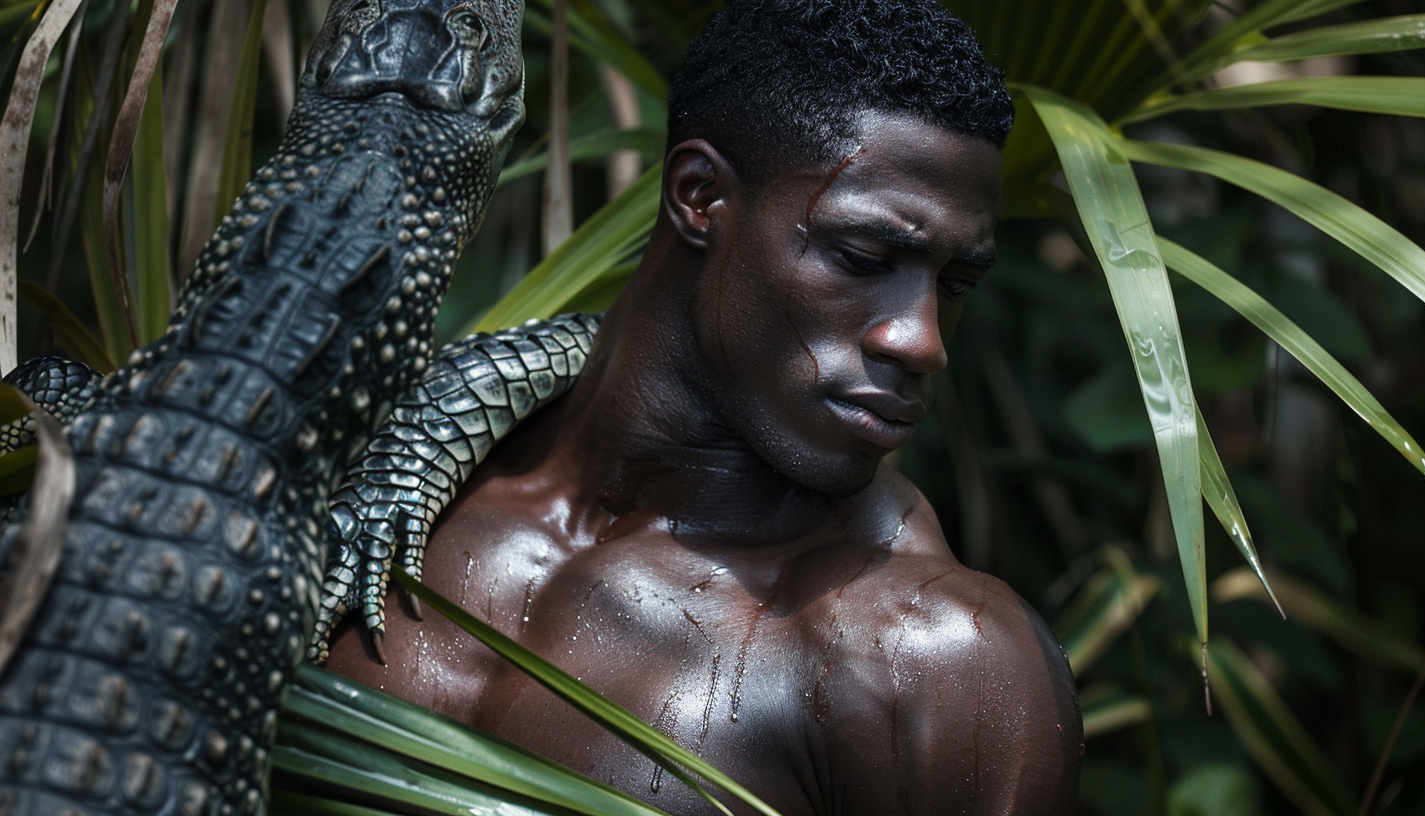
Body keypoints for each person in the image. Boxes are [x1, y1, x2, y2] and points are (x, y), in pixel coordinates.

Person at [326, 0, 1083, 812]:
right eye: (864, 257)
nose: (922, 341)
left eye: (955, 284)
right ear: (699, 196)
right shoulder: (369, 472)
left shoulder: (937, 659)